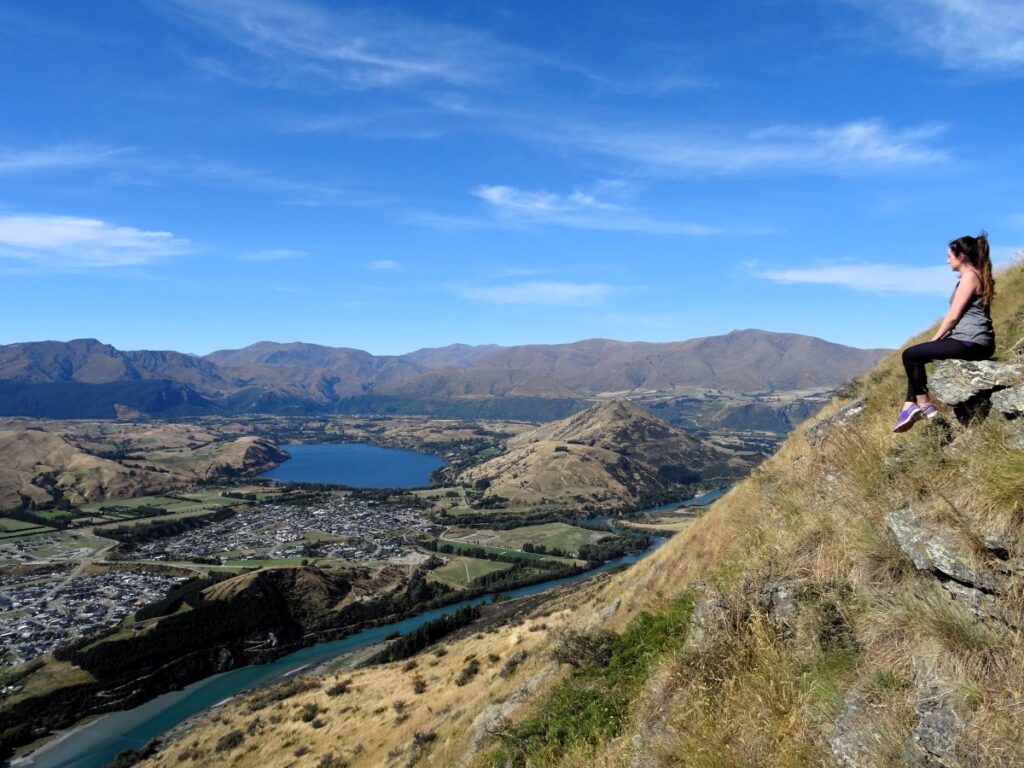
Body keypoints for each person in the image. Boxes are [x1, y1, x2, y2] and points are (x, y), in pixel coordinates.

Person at [894, 232, 996, 432]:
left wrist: (934, 340)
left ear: (961, 256)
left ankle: (924, 407)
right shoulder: (976, 275)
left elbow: (953, 316)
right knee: (915, 357)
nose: (946, 260)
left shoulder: (970, 277)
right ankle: (910, 406)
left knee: (911, 354)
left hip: (971, 341)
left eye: (949, 255)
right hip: (973, 340)